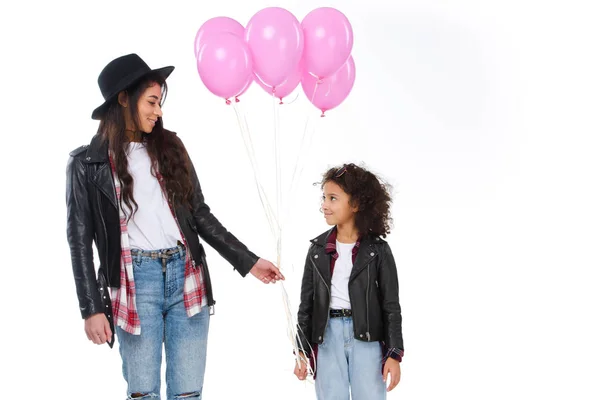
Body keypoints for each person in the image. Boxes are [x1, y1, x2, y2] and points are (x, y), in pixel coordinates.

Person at [65, 53, 284, 400]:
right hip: (136, 285)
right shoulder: (86, 163)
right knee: (143, 394)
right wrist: (91, 308)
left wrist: (249, 260)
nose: (159, 111)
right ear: (124, 99)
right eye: (152, 102)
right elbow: (79, 241)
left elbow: (200, 214)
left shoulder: (171, 148)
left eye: (160, 103)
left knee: (188, 394)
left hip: (187, 279)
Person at [293, 163, 404, 399]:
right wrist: (301, 351)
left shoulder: (378, 250)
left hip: (367, 337)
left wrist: (393, 354)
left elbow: (391, 306)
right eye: (324, 197)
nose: (324, 205)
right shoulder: (317, 250)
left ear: (355, 204)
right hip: (327, 338)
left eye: (333, 198)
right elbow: (306, 306)